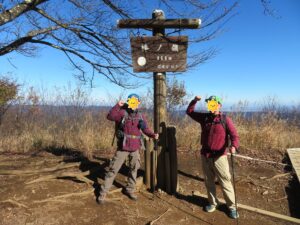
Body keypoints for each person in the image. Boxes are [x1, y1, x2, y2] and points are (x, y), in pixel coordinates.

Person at [98, 93, 158, 203]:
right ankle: (103, 193)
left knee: (134, 169)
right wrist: (117, 105)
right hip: (123, 148)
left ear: (139, 103)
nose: (134, 103)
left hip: (135, 148)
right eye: (132, 101)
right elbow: (110, 116)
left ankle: (130, 190)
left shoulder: (140, 116)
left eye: (136, 101)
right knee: (113, 169)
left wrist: (153, 135)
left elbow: (146, 129)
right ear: (128, 102)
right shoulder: (122, 112)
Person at [186, 95, 240, 219]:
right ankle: (213, 203)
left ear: (219, 105)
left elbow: (234, 136)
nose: (212, 106)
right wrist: (194, 100)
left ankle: (232, 207)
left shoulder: (225, 120)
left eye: (214, 104)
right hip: (205, 156)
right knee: (208, 181)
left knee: (225, 182)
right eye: (209, 104)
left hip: (220, 157)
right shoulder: (204, 118)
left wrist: (234, 146)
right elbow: (189, 112)